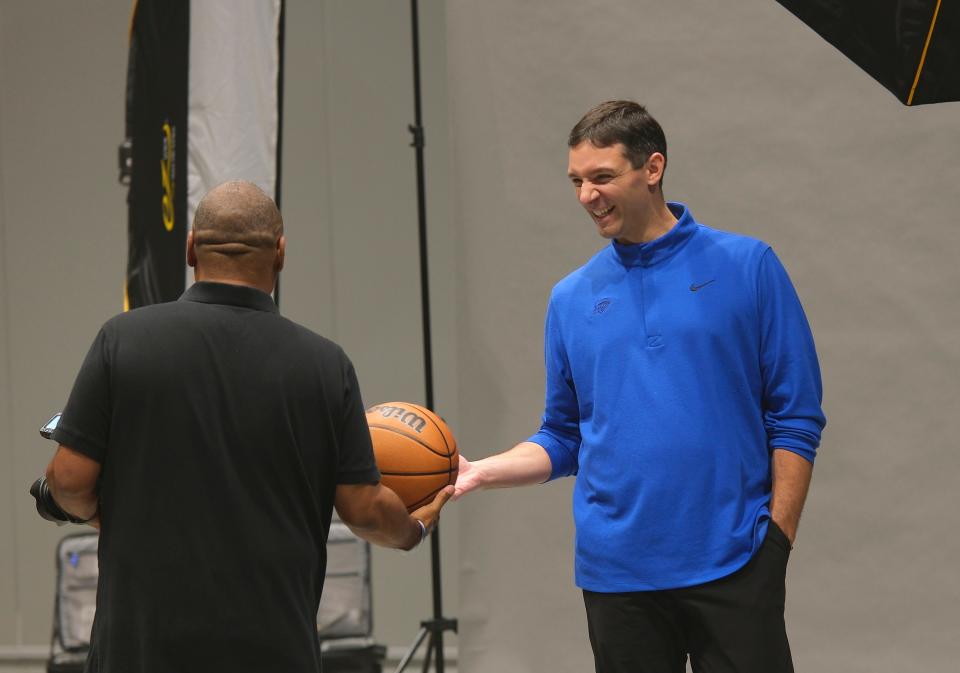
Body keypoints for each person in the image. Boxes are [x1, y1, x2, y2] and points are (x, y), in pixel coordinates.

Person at [454, 101, 826, 673]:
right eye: (576, 181)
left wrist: (776, 541)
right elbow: (563, 435)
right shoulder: (571, 298)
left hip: (735, 564)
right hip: (617, 576)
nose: (586, 196)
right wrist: (483, 471)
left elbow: (795, 415)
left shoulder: (748, 266)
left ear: (652, 168)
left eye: (602, 177)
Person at [38, 180, 451, 673]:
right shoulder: (324, 365)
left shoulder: (122, 341)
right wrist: (415, 528)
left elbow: (68, 483)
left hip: (140, 649)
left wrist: (105, 514)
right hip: (273, 649)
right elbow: (364, 511)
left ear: (191, 248)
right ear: (280, 253)